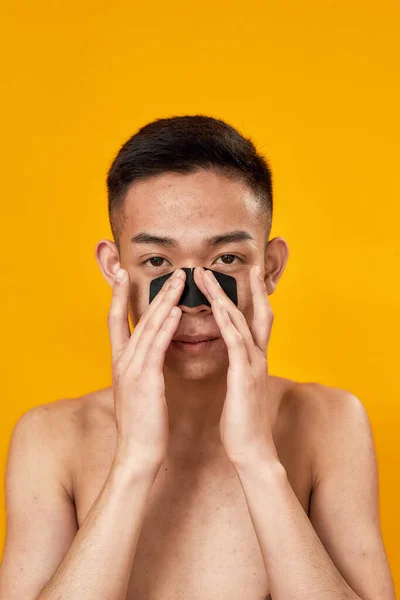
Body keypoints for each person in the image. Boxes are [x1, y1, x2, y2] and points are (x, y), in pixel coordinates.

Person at [0, 115, 395, 600]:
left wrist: (257, 460)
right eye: (157, 263)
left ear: (268, 269)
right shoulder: (50, 439)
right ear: (114, 268)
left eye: (225, 261)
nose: (193, 300)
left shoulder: (330, 423)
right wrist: (132, 463)